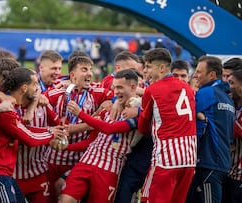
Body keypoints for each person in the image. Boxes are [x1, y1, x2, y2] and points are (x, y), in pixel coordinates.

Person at [0, 67, 67, 203]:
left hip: (4, 172)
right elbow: (28, 138)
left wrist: (49, 131)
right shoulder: (6, 110)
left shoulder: (12, 106)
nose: (38, 88)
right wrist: (50, 133)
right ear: (24, 88)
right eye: (35, 84)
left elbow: (25, 130)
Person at [59, 69, 141, 203]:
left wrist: (80, 114)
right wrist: (66, 147)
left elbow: (109, 129)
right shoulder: (108, 108)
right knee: (65, 200)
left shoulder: (138, 113)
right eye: (115, 88)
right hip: (86, 162)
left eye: (120, 87)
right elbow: (92, 141)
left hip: (109, 168)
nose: (116, 92)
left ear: (133, 87)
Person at [45, 55, 114, 202]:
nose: (89, 73)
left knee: (66, 192)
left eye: (90, 69)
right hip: (53, 159)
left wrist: (108, 102)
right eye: (84, 69)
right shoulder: (55, 93)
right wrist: (89, 124)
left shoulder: (97, 93)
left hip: (78, 159)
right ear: (72, 74)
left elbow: (117, 95)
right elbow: (56, 126)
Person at [138, 48, 197, 203]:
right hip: (189, 158)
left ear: (162, 68)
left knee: (148, 199)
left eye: (149, 67)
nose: (145, 71)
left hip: (166, 159)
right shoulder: (188, 88)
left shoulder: (152, 90)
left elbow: (142, 127)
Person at [186, 56, 234, 203]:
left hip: (209, 162)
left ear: (212, 75)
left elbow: (185, 114)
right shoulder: (227, 97)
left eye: (199, 72)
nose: (195, 75)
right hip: (221, 162)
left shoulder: (206, 93)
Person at [223, 69, 242, 203]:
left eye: (231, 83)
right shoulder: (233, 107)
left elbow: (234, 131)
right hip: (229, 173)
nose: (228, 86)